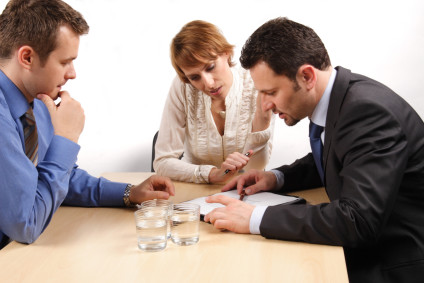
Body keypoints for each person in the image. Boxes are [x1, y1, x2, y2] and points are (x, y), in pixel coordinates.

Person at [204, 17, 424, 282]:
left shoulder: (367, 113)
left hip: (394, 261)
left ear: (306, 76)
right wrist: (276, 178)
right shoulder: (343, 100)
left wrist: (256, 218)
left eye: (270, 92)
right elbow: (340, 156)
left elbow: (357, 221)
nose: (264, 105)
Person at [0, 0, 174, 249]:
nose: (72, 73)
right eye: (64, 62)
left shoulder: (37, 103)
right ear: (27, 57)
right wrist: (66, 140)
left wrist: (129, 194)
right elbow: (25, 225)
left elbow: (59, 178)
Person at [153, 20, 274, 184]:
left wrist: (263, 117)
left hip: (244, 187)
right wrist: (210, 174)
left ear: (226, 53)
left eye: (210, 67)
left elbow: (257, 167)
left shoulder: (256, 82)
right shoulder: (183, 87)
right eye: (194, 77)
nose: (208, 83)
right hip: (196, 189)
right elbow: (162, 162)